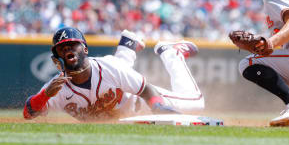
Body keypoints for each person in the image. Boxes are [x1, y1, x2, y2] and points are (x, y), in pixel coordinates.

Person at [23, 27, 204, 121]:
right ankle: (128, 45)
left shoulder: (107, 67)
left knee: (197, 104)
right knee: (118, 71)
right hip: (120, 111)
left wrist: (158, 107)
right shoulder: (56, 88)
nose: (68, 49)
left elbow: (146, 89)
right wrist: (44, 96)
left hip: (139, 105)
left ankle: (172, 53)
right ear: (57, 57)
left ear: (84, 48)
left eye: (72, 45)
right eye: (62, 48)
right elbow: (28, 113)